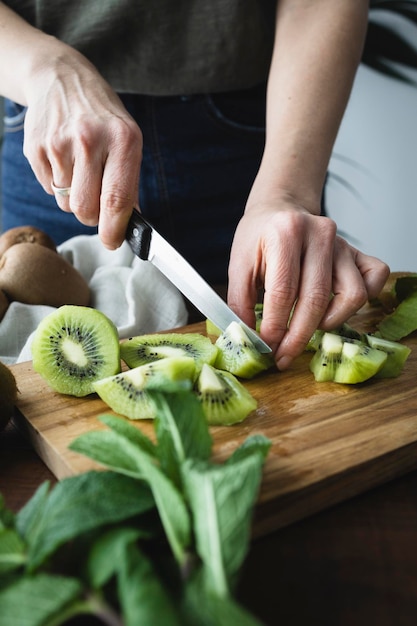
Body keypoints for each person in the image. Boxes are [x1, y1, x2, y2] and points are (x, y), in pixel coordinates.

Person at [0, 0, 389, 370]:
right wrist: (48, 69)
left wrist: (285, 192)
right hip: (52, 129)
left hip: (261, 133)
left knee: (285, 310)